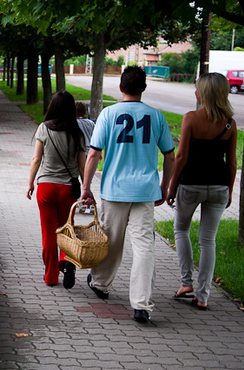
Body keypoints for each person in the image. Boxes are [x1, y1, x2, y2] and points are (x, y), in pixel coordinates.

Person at [80, 66, 176, 323]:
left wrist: (86, 186)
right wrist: (165, 186)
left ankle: (100, 284)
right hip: (145, 191)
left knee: (111, 240)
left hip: (114, 189)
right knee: (145, 246)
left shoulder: (109, 114)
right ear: (144, 88)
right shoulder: (156, 116)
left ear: (121, 88)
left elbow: (93, 153)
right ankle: (142, 304)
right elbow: (169, 154)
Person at [167, 73, 237, 310]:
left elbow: (181, 156)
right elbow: (232, 163)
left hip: (191, 185)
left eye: (197, 89)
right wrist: (230, 188)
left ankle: (186, 283)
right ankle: (204, 295)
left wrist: (171, 185)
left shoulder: (191, 119)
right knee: (208, 240)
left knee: (181, 230)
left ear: (204, 93)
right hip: (219, 187)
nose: (195, 93)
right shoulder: (230, 123)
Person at [27, 90, 87, 289]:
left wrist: (30, 183)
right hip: (68, 189)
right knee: (66, 228)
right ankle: (67, 260)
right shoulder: (78, 133)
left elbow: (36, 159)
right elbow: (81, 165)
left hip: (46, 187)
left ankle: (51, 276)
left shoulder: (43, 129)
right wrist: (86, 188)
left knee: (49, 233)